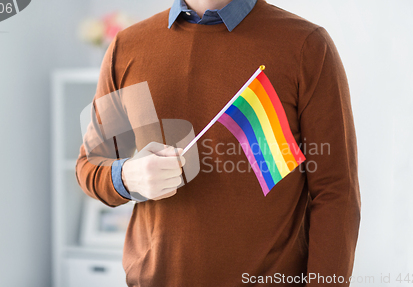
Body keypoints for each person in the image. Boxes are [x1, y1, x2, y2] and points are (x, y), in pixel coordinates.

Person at [76, 0, 361, 286]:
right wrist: (128, 176)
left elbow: (336, 191)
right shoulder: (127, 46)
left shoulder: (306, 46)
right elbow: (90, 165)